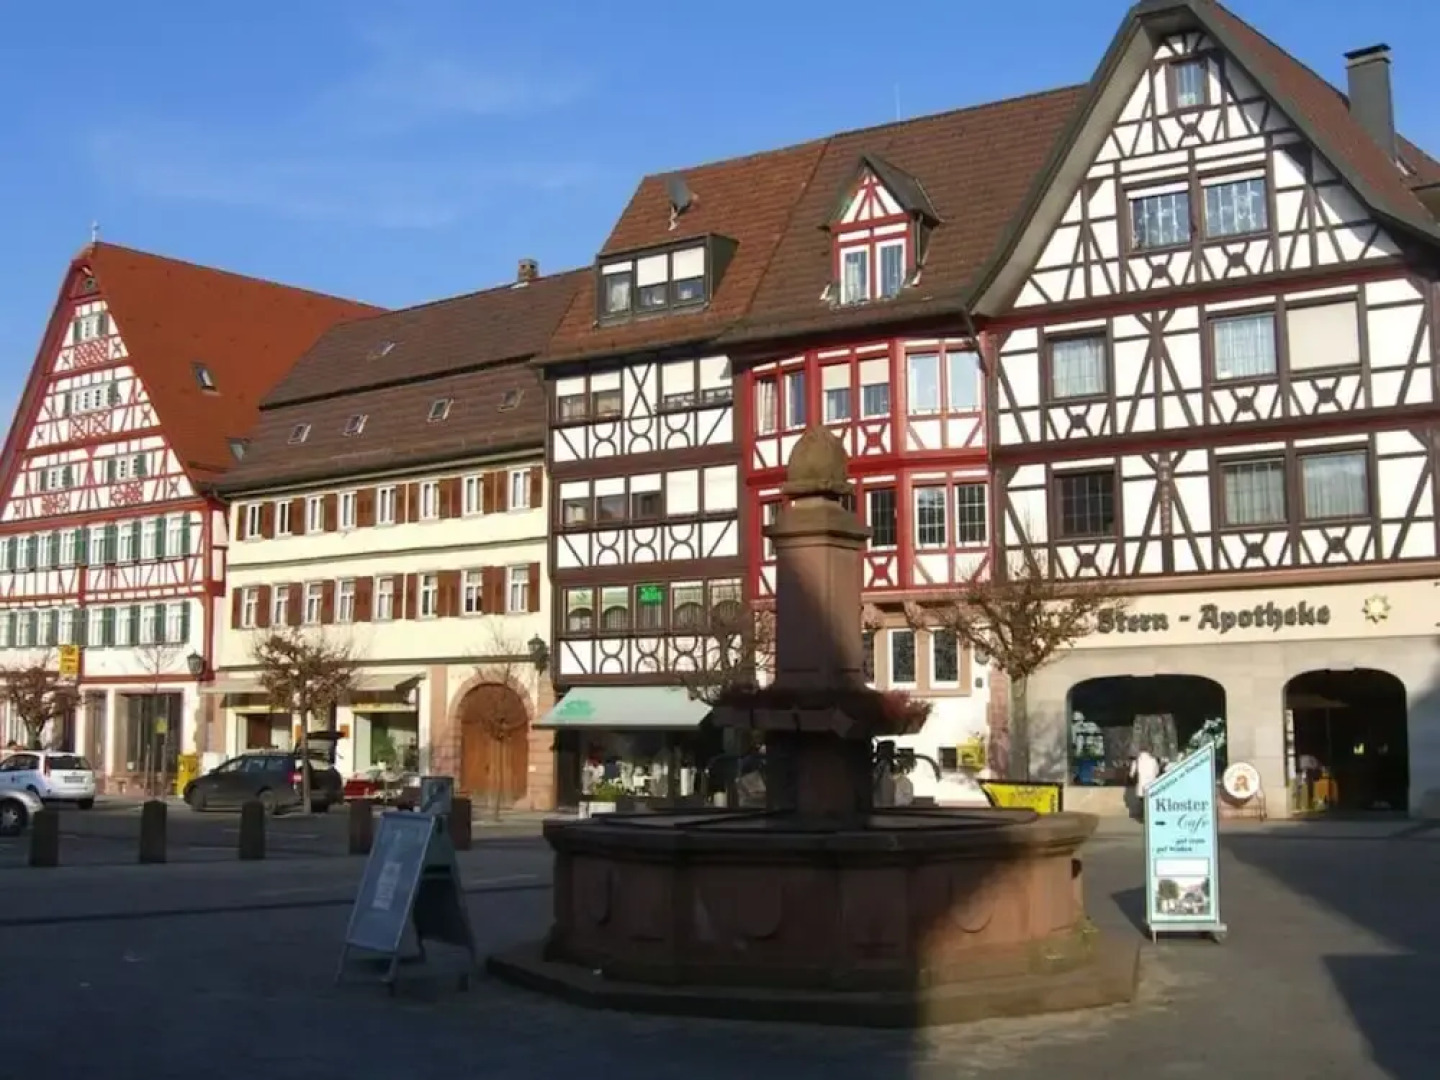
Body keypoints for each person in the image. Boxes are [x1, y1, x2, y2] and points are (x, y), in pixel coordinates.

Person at [1130, 749, 1159, 819]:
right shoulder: (1153, 760)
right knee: (1151, 802)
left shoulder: (1136, 761)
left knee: (1143, 802)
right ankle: (1151, 816)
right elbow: (1157, 772)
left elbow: (1131, 774)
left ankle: (1143, 816)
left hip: (1141, 786)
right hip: (1152, 785)